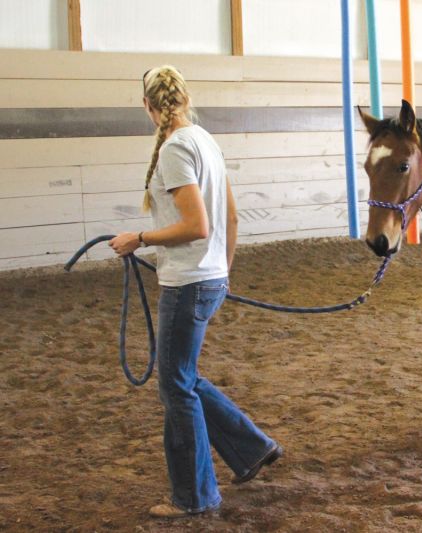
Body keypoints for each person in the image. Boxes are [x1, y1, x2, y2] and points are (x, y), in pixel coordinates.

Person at [109, 65, 282, 518]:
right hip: (207, 278)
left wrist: (139, 239)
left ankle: (194, 497)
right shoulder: (205, 140)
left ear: (148, 106)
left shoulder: (173, 149)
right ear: (184, 98)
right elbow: (231, 217)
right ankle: (250, 447)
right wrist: (221, 274)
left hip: (188, 282)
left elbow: (195, 225)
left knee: (175, 386)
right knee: (183, 376)